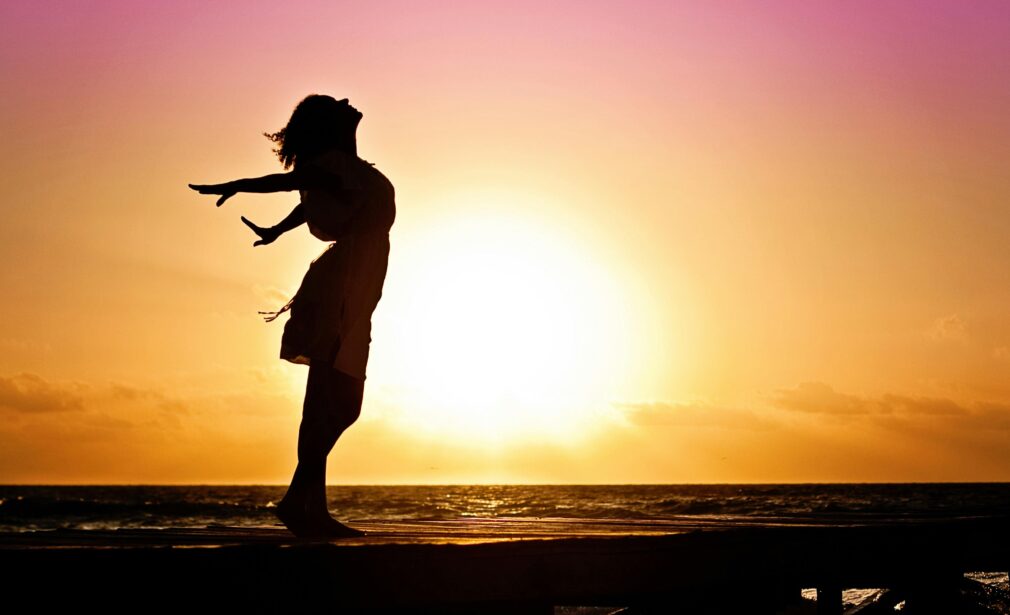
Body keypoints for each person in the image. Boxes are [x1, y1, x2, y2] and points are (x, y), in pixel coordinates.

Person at [189, 95, 396, 538]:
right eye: (336, 103)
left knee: (336, 402)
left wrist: (277, 230)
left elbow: (310, 201)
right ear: (330, 124)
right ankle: (305, 505)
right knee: (333, 400)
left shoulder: (348, 169)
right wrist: (238, 185)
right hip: (341, 287)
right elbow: (287, 184)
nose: (346, 100)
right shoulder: (333, 163)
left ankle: (301, 503)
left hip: (353, 285)